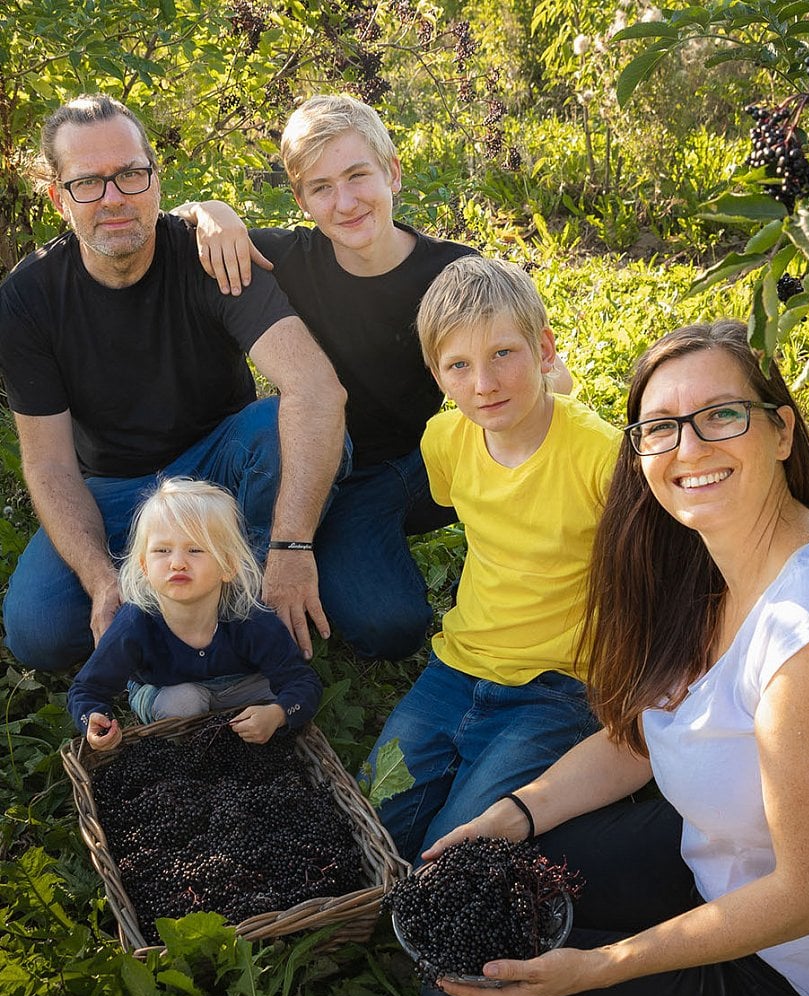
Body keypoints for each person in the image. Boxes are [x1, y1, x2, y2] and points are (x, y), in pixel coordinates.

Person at [417, 319, 809, 996]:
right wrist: (516, 812)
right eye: (661, 428)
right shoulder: (710, 564)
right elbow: (641, 736)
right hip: (716, 861)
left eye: (721, 415)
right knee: (498, 885)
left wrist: (604, 967)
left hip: (800, 980)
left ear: (781, 431)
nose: (690, 448)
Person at [178, 94, 572, 659]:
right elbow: (168, 230)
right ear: (302, 200)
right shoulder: (284, 257)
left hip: (409, 464)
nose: (345, 202)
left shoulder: (451, 273)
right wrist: (211, 209)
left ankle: (400, 548)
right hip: (315, 462)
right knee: (382, 617)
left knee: (393, 628)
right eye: (321, 188)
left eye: (358, 175)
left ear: (392, 171)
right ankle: (323, 547)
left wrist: (545, 398)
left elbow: (544, 369)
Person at [0, 93, 346, 672]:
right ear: (61, 198)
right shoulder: (27, 300)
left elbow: (316, 388)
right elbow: (50, 467)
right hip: (114, 490)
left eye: (131, 174)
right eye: (89, 183)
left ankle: (246, 618)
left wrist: (291, 547)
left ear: (155, 179)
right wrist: (101, 579)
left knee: (276, 430)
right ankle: (157, 608)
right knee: (39, 631)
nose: (114, 198)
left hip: (218, 470)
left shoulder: (210, 254)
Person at [362, 256, 620, 863]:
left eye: (504, 353)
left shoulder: (602, 458)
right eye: (460, 365)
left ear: (545, 347)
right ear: (438, 375)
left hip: (557, 685)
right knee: (373, 824)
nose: (485, 383)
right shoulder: (444, 441)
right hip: (456, 667)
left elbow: (648, 575)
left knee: (456, 854)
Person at [68, 478, 322, 750]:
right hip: (167, 690)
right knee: (183, 702)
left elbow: (303, 682)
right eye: (162, 551)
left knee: (278, 696)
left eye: (195, 550)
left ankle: (249, 730)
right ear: (144, 565)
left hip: (240, 686)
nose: (177, 563)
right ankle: (185, 744)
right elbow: (86, 689)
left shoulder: (249, 618)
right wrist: (93, 718)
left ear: (228, 566)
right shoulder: (135, 623)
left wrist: (279, 713)